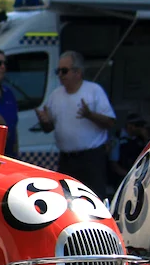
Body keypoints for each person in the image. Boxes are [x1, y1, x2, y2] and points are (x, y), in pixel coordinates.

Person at [35, 50, 116, 197]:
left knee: (94, 198)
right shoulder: (56, 95)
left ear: (78, 72)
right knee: (66, 200)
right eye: (58, 71)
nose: (60, 75)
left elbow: (110, 122)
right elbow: (48, 128)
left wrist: (90, 115)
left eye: (64, 71)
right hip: (66, 160)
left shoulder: (93, 91)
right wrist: (44, 121)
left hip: (91, 159)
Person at [109, 113, 150, 188]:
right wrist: (129, 176)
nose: (141, 129)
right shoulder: (118, 138)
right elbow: (114, 164)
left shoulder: (140, 139)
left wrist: (146, 139)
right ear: (129, 126)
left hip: (139, 175)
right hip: (122, 177)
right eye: (138, 126)